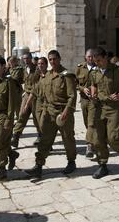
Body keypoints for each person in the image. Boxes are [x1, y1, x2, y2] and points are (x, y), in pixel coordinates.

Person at [25, 50, 77, 179]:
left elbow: (72, 96)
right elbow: (37, 91)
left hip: (63, 113)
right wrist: (27, 104)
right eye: (50, 60)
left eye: (54, 59)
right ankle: (38, 166)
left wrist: (66, 111)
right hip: (49, 113)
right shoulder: (47, 75)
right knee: (45, 140)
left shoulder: (66, 75)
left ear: (59, 59)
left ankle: (71, 162)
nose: (53, 62)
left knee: (68, 139)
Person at [89, 47, 119, 178]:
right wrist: (93, 92)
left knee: (113, 138)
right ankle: (103, 165)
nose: (97, 63)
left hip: (114, 108)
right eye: (95, 61)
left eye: (99, 60)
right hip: (99, 107)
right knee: (97, 139)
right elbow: (93, 84)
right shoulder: (94, 72)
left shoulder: (117, 70)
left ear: (105, 58)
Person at [12, 52, 42, 147]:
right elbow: (21, 80)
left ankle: (42, 137)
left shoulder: (37, 70)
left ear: (31, 58)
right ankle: (15, 137)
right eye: (24, 59)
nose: (26, 60)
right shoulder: (24, 69)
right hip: (26, 95)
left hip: (36, 97)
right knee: (22, 116)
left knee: (37, 118)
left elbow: (38, 85)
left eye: (27, 58)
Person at [75, 49, 96, 158]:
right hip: (83, 99)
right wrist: (82, 89)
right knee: (87, 122)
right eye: (89, 57)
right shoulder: (80, 68)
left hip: (94, 100)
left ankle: (89, 145)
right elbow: (75, 84)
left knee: (91, 122)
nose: (90, 59)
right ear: (85, 57)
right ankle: (93, 139)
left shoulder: (98, 68)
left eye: (92, 56)